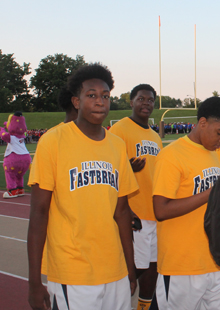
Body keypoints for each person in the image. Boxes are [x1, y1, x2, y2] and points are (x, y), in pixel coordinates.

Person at [27, 63, 139, 310]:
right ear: (76, 102)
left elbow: (122, 212)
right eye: (92, 95)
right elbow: (39, 213)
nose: (100, 102)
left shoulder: (117, 145)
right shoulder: (52, 142)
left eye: (105, 96)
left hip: (115, 269)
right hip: (73, 270)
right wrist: (34, 282)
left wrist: (130, 268)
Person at [151, 97, 220, 310]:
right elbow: (160, 210)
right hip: (183, 266)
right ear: (202, 123)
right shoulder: (171, 156)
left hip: (217, 261)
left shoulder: (213, 154)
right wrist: (210, 194)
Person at [109, 84, 163, 310]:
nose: (146, 104)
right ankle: (115, 300)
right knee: (134, 266)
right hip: (133, 210)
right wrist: (127, 171)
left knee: (153, 265)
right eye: (141, 99)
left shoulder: (155, 136)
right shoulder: (119, 130)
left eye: (150, 100)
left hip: (154, 211)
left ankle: (144, 306)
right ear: (131, 102)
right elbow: (109, 169)